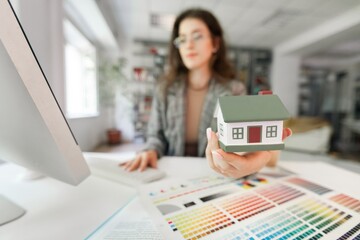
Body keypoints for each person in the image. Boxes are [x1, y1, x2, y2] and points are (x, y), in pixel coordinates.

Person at [121, 8, 291, 177]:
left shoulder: (234, 90)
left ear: (215, 44)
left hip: (214, 176)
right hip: (172, 173)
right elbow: (155, 136)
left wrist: (250, 157)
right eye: (182, 39)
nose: (188, 44)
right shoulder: (164, 88)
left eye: (197, 36)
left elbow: (240, 140)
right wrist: (150, 150)